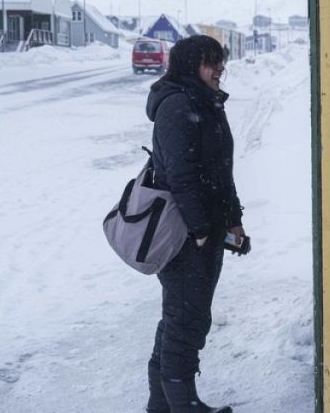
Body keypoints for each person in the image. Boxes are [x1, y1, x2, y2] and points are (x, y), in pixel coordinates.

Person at [144, 35, 245, 413]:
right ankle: (183, 405)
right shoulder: (177, 106)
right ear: (190, 66)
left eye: (220, 61)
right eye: (211, 62)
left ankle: (161, 405)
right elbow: (181, 175)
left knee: (180, 319)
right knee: (186, 322)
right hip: (185, 235)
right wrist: (201, 230)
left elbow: (221, 171)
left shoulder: (204, 102)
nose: (220, 68)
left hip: (204, 232)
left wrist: (233, 219)